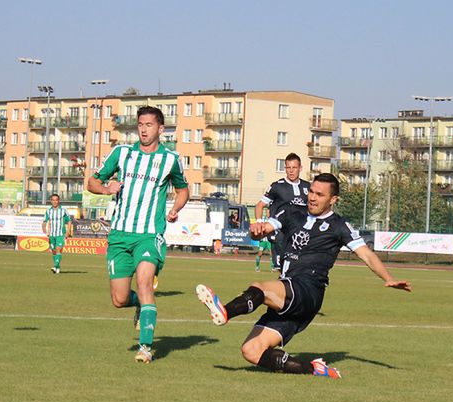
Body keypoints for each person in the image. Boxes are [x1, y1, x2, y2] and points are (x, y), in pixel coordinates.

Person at [197, 173, 411, 378]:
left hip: (308, 290)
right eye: (311, 192)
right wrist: (257, 230)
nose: (312, 197)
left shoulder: (339, 226)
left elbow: (367, 255)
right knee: (252, 350)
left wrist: (387, 278)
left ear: (333, 199)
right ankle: (313, 369)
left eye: (320, 194)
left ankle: (225, 312)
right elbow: (266, 227)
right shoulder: (292, 212)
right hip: (289, 293)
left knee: (260, 288)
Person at [87, 106, 189, 364]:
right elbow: (92, 182)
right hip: (120, 235)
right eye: (140, 125)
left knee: (144, 282)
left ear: (160, 129)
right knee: (119, 299)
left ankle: (145, 348)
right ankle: (138, 307)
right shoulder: (122, 153)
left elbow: (183, 190)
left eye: (149, 125)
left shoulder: (171, 159)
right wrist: (106, 188)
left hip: (149, 234)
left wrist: (175, 209)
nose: (143, 130)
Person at [255, 152, 310, 272]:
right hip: (280, 235)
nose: (291, 171)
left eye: (294, 167)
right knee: (283, 270)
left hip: (299, 235)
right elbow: (260, 205)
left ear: (300, 168)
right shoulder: (277, 186)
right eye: (288, 167)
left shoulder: (308, 187)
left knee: (298, 269)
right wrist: (259, 222)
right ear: (285, 168)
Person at [42, 193, 72, 274]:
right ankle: (57, 267)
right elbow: (45, 221)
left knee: (58, 249)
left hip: (60, 234)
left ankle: (55, 266)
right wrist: (44, 228)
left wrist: (68, 231)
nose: (55, 202)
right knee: (54, 251)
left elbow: (69, 221)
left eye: (56, 200)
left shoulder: (63, 210)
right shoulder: (48, 211)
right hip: (52, 234)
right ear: (51, 201)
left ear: (59, 201)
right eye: (53, 200)